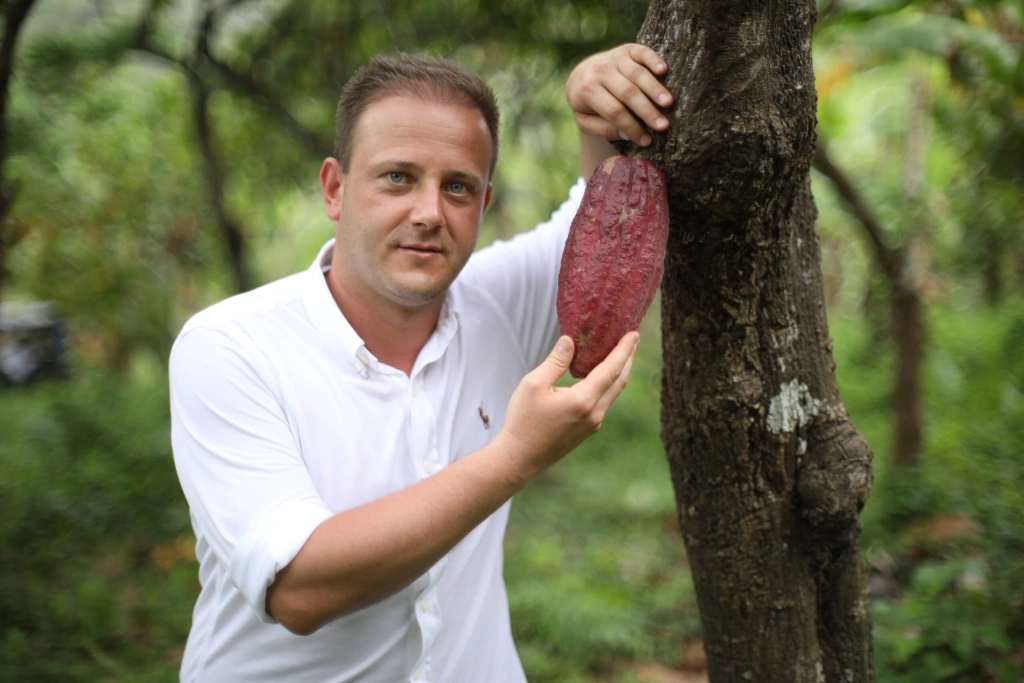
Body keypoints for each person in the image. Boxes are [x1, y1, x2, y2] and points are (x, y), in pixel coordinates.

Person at [170, 43, 674, 683]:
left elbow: (601, 217)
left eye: (457, 187)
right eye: (397, 177)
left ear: (483, 206)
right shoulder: (230, 347)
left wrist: (592, 103)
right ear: (335, 188)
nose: (429, 213)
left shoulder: (496, 303)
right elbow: (299, 589)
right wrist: (515, 456)